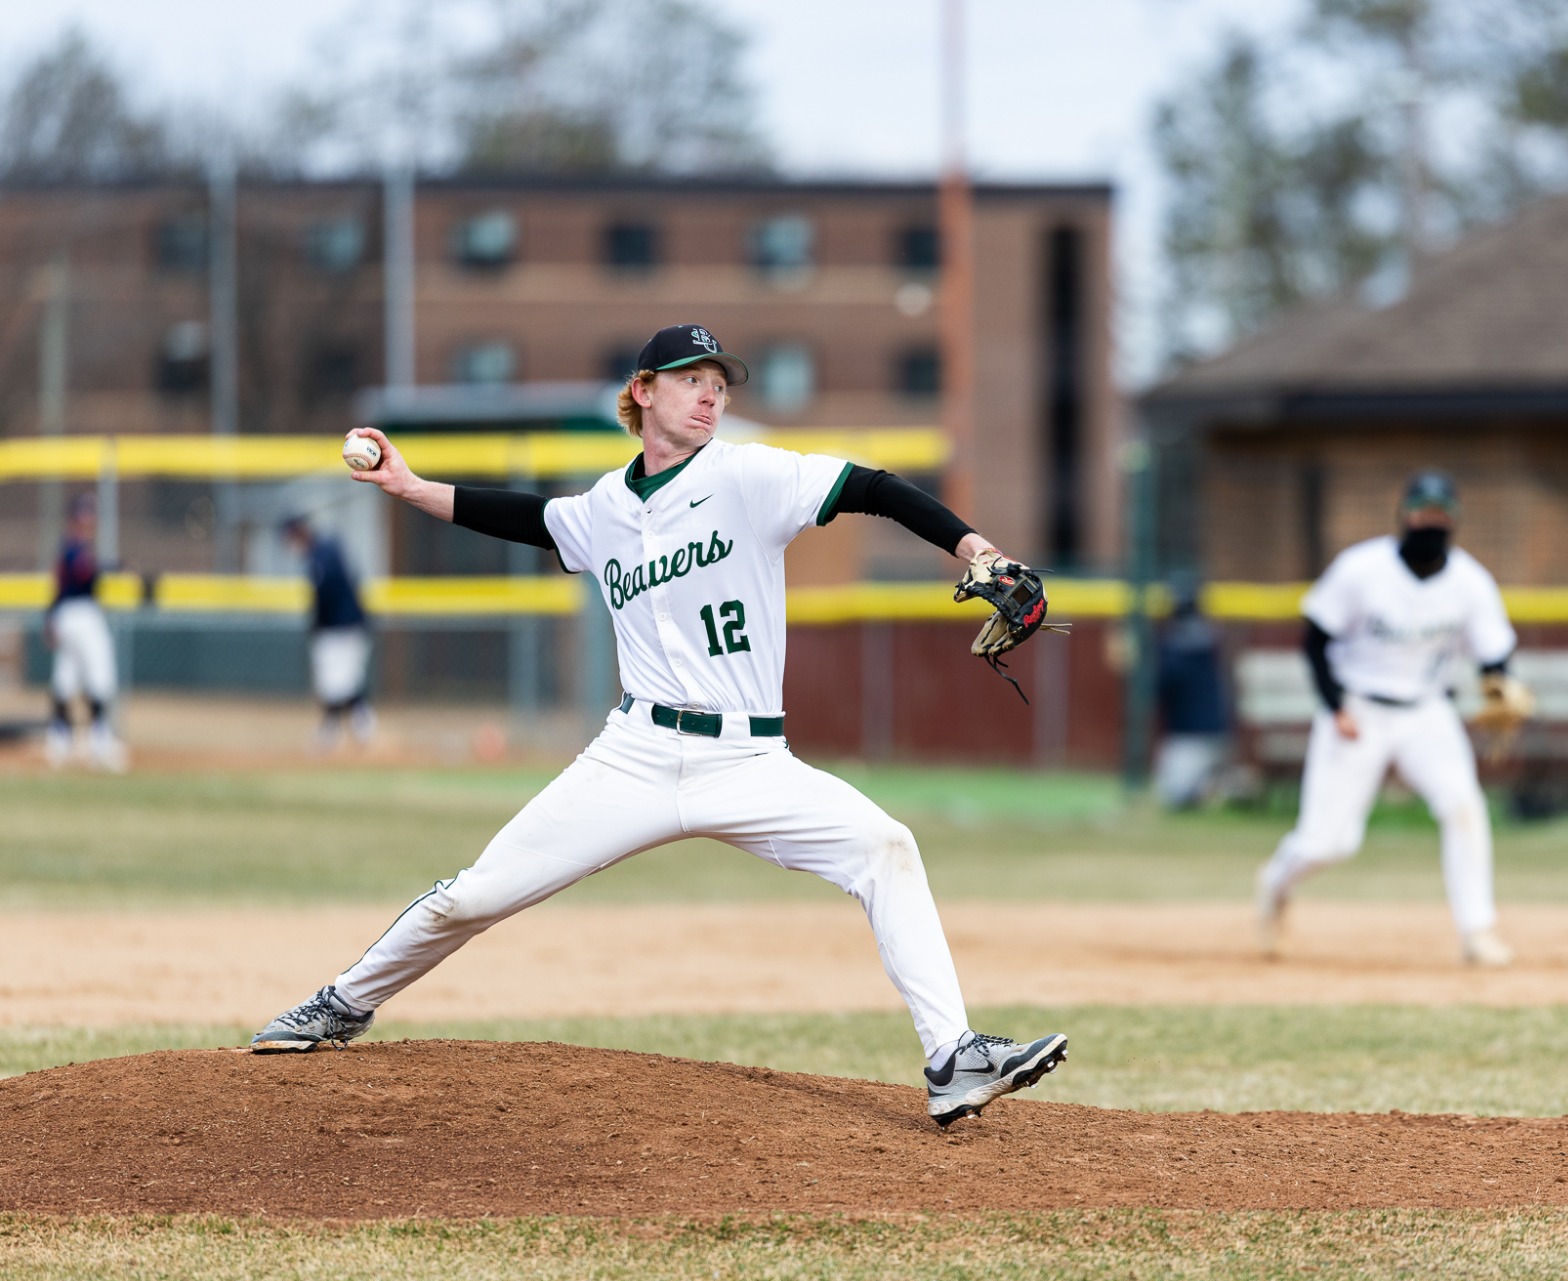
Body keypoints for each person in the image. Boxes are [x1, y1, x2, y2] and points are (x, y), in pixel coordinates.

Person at [250, 324, 1067, 1128]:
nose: (711, 393)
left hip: (750, 759)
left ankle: (953, 1057)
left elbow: (874, 487)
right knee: (474, 895)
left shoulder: (750, 475)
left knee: (886, 846)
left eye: (720, 382)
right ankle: (340, 1002)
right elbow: (533, 519)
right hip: (634, 755)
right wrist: (409, 486)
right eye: (690, 378)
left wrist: (977, 549)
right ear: (642, 392)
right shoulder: (607, 505)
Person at [1253, 470, 1527, 966]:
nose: (1430, 522)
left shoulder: (1469, 581)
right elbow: (1316, 638)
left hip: (1426, 710)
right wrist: (1334, 704)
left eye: (1440, 514)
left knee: (1463, 806)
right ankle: (1275, 885)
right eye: (1422, 512)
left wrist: (1501, 681)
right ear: (1403, 516)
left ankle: (1477, 930)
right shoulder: (1362, 569)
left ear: (1455, 521)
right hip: (1357, 706)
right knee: (1328, 843)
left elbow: (1493, 652)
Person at [44, 493, 126, 773]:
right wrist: (116, 566)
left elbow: (57, 587)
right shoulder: (73, 548)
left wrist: (50, 618)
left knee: (66, 678)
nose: (88, 521)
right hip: (81, 614)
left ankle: (58, 741)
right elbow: (84, 572)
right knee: (99, 677)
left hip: (66, 616)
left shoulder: (69, 547)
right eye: (84, 516)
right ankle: (99, 742)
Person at [282, 515, 375, 750]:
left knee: (338, 681)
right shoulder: (323, 551)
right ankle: (354, 727)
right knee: (341, 681)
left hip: (342, 626)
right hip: (343, 625)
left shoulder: (322, 554)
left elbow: (328, 596)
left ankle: (342, 729)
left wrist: (317, 624)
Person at [1152, 576, 1231, 809]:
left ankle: (1218, 787)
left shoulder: (1178, 647)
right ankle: (1215, 784)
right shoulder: (1211, 638)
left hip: (1189, 737)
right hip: (1217, 732)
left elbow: (1159, 687)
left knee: (1172, 799)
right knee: (1181, 793)